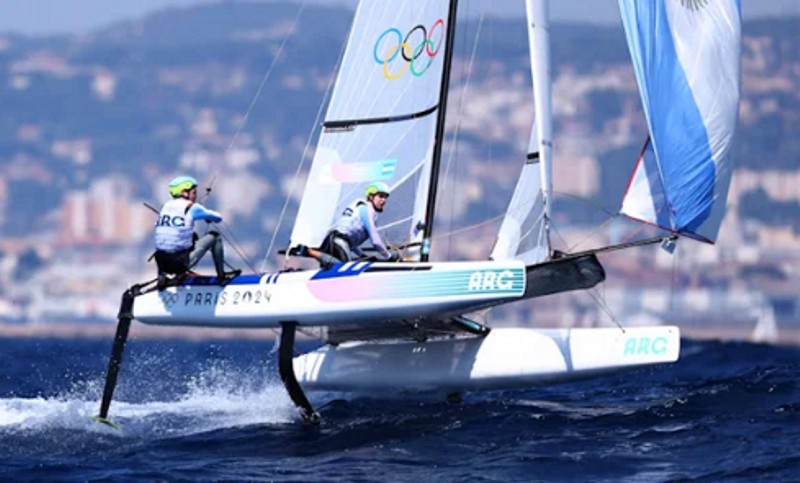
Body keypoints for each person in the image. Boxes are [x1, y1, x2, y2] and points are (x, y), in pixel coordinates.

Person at [153, 175, 239, 287]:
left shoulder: (165, 207)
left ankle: (163, 276)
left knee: (182, 238)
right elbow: (218, 218)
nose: (195, 196)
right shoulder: (191, 207)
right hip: (180, 264)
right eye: (194, 193)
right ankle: (221, 277)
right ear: (185, 193)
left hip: (162, 264)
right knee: (215, 236)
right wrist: (207, 216)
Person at [291, 181, 400, 267]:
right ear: (371, 197)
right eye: (381, 196)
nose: (384, 200)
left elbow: (351, 239)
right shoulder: (367, 209)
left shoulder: (360, 207)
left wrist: (362, 255)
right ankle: (309, 251)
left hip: (331, 240)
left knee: (334, 269)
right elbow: (376, 241)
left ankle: (311, 252)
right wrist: (388, 256)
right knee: (345, 268)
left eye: (386, 197)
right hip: (339, 242)